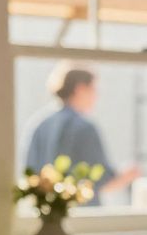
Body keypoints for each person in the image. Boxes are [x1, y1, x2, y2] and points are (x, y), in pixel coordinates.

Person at [25, 66, 138, 205]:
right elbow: (102, 182)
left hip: (46, 215)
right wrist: (126, 176)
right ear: (80, 89)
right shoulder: (84, 128)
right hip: (81, 218)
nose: (96, 96)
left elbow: (30, 175)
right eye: (94, 89)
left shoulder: (39, 125)